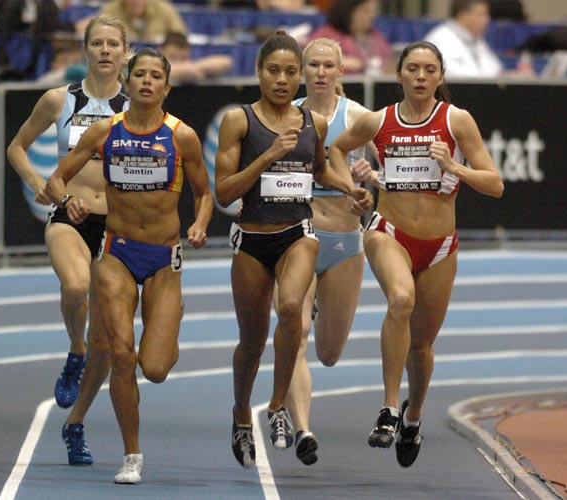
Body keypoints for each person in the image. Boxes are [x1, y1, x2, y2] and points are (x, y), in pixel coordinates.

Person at [328, 40, 504, 468]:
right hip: (389, 232)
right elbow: (333, 148)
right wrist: (352, 188)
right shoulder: (378, 121)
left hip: (440, 246)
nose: (421, 76)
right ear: (399, 75)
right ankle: (389, 408)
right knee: (400, 300)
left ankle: (413, 415)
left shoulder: (456, 121)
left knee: (422, 348)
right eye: (413, 69)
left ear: (440, 77)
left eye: (430, 70)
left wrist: (455, 167)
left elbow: (495, 184)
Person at [46, 46, 213, 484]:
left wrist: (198, 225)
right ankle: (132, 455)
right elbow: (56, 178)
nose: (146, 82)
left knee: (154, 368)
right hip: (116, 252)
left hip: (163, 258)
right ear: (127, 80)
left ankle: (170, 319)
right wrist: (69, 202)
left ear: (166, 86)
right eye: (139, 74)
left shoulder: (182, 136)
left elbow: (205, 192)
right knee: (121, 354)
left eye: (156, 76)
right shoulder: (104, 131)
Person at [215, 30, 372, 469]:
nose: (283, 79)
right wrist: (266, 158)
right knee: (251, 342)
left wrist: (351, 189)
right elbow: (225, 193)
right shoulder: (239, 121)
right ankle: (240, 413)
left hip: (298, 234)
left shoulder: (313, 124)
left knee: (290, 313)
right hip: (252, 239)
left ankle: (277, 406)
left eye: (290, 72)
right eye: (274, 71)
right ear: (259, 72)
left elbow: (320, 170)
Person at [7, 13, 130, 466]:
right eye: (96, 43)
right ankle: (73, 349)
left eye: (112, 45)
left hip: (116, 227)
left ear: (124, 52)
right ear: (85, 50)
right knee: (76, 287)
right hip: (68, 215)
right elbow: (16, 146)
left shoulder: (136, 106)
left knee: (109, 345)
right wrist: (40, 181)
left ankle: (74, 423)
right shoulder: (60, 100)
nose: (104, 51)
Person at [275, 37, 374, 466]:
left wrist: (371, 178)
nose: (318, 72)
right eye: (311, 64)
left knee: (329, 353)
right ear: (301, 70)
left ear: (340, 71)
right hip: (297, 234)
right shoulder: (285, 116)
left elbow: (388, 180)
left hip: (344, 240)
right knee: (294, 331)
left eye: (326, 65)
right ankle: (302, 429)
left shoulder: (361, 119)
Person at [306, 0, 392, 75]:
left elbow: (389, 62)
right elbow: (309, 59)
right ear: (348, 12)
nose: (372, 16)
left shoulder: (377, 37)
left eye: (373, 11)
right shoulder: (325, 35)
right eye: (366, 11)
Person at [424, 0, 506, 78]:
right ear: (462, 15)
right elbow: (453, 77)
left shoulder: (476, 40)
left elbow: (496, 70)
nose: (487, 20)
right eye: (481, 15)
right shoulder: (440, 39)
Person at [100, 0, 187, 44]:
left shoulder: (165, 10)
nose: (136, 1)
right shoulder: (110, 11)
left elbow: (180, 38)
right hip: (122, 62)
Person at [159, 32, 233, 83]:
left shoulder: (193, 68)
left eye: (183, 59)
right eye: (173, 57)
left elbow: (227, 62)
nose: (180, 64)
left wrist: (194, 69)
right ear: (161, 51)